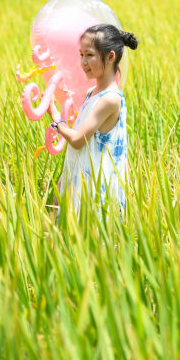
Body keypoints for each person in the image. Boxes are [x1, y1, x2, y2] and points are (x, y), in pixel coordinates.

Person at [48, 24, 138, 216]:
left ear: (110, 57)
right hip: (80, 181)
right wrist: (63, 182)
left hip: (96, 190)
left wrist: (56, 118)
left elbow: (79, 140)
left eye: (89, 55)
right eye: (81, 55)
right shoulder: (92, 94)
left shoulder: (111, 99)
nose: (83, 62)